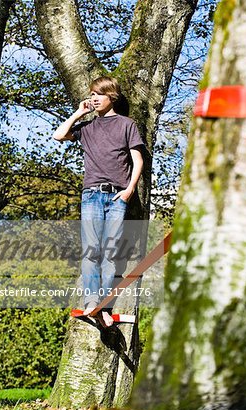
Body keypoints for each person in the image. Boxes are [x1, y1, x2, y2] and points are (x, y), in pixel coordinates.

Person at [53, 76, 144, 327]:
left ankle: (105, 307)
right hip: (91, 194)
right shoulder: (87, 128)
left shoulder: (127, 125)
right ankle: (92, 303)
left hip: (116, 196)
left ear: (111, 97)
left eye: (98, 94)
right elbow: (59, 135)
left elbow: (138, 160)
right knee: (92, 251)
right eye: (91, 94)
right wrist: (78, 113)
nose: (93, 98)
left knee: (111, 254)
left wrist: (129, 189)